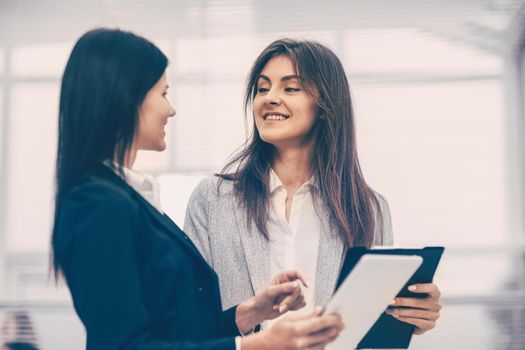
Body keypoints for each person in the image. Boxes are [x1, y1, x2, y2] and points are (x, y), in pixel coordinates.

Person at [51, 29, 344, 350]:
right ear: (126, 98)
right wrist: (256, 346)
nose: (171, 110)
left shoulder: (128, 198)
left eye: (291, 87)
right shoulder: (98, 204)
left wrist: (248, 314)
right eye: (163, 94)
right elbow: (125, 345)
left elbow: (177, 329)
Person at [185, 38, 442, 334]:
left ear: (324, 106)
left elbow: (372, 328)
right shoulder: (213, 199)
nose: (269, 98)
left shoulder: (368, 208)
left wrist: (411, 317)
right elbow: (189, 317)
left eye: (290, 87)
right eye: (262, 88)